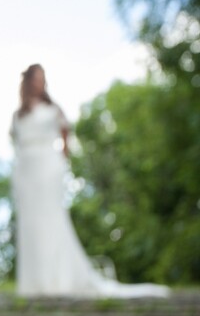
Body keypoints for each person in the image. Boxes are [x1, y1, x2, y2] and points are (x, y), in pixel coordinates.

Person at [10, 64, 169, 298]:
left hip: (47, 165)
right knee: (31, 222)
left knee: (51, 218)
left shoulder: (53, 108)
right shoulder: (19, 114)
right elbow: (14, 139)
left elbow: (65, 133)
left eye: (43, 79)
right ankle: (34, 282)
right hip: (26, 168)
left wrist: (62, 159)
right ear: (27, 81)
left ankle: (58, 279)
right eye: (37, 78)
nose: (40, 83)